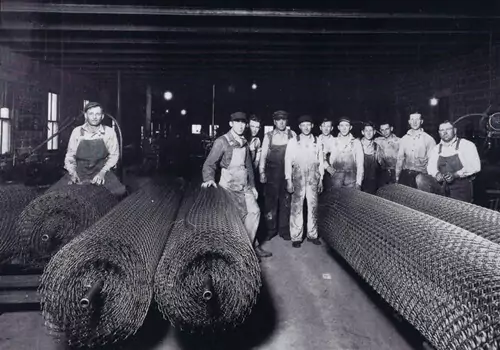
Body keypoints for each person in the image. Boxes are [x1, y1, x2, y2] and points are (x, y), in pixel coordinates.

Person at [201, 112, 266, 257]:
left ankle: (246, 248)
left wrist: (253, 186)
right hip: (228, 187)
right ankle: (232, 252)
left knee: (254, 212)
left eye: (243, 122)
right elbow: (209, 164)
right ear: (231, 124)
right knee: (231, 220)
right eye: (237, 122)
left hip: (244, 186)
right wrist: (209, 179)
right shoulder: (222, 141)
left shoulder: (244, 142)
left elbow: (248, 166)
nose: (241, 126)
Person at [57, 101, 126, 196]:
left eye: (98, 114)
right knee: (57, 194)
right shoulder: (77, 131)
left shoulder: (109, 132)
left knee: (119, 192)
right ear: (86, 116)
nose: (94, 117)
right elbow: (70, 156)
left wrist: (102, 173)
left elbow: (114, 156)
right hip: (79, 171)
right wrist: (72, 172)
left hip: (101, 170)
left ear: (102, 116)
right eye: (91, 114)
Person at [284, 115, 324, 248]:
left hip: (313, 178)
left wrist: (321, 180)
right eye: (303, 125)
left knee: (313, 206)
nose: (306, 127)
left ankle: (312, 234)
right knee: (297, 207)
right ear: (299, 127)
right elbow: (288, 161)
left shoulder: (317, 141)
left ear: (312, 126)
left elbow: (321, 162)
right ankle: (296, 236)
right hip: (298, 177)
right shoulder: (293, 141)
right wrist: (288, 180)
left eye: (308, 124)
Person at [259, 110, 296, 241]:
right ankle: (271, 229)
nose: (281, 122)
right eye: (278, 120)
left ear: (286, 121)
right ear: (274, 121)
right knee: (270, 203)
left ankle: (284, 230)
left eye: (284, 119)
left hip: (286, 174)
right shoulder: (268, 136)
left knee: (286, 201)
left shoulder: (292, 135)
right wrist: (262, 172)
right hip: (271, 173)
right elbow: (263, 155)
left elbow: (296, 155)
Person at [422, 121, 481, 202]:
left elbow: (476, 166)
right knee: (421, 179)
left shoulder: (466, 145)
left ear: (455, 130)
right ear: (439, 132)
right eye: (442, 130)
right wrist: (437, 174)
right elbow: (430, 167)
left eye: (448, 129)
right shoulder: (436, 149)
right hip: (442, 186)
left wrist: (455, 175)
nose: (445, 132)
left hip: (461, 188)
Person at [395, 113, 436, 188]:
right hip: (405, 175)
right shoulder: (404, 139)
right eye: (412, 119)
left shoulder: (429, 139)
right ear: (409, 122)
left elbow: (432, 162)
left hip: (421, 177)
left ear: (421, 121)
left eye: (417, 119)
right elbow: (400, 160)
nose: (414, 122)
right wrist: (397, 177)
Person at [322, 117, 364, 190]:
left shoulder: (356, 142)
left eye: (346, 125)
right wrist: (327, 167)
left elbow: (360, 165)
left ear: (350, 127)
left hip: (351, 181)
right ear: (338, 127)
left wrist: (358, 183)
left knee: (351, 201)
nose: (344, 128)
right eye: (342, 126)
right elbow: (320, 155)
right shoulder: (333, 141)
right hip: (336, 181)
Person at [374, 122, 400, 186]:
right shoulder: (377, 140)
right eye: (382, 130)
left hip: (396, 171)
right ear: (380, 131)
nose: (385, 132)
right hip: (382, 172)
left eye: (387, 129)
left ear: (391, 128)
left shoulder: (399, 141)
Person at [360, 122, 381, 194]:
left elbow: (381, 164)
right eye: (366, 131)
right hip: (359, 181)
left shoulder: (377, 147)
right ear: (362, 132)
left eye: (371, 130)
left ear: (374, 132)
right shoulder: (357, 144)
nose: (369, 133)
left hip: (372, 182)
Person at [318, 117, 335, 189]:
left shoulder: (336, 141)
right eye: (324, 126)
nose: (326, 129)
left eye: (328, 126)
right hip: (319, 171)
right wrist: (327, 167)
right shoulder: (315, 141)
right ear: (320, 127)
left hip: (333, 172)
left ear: (332, 128)